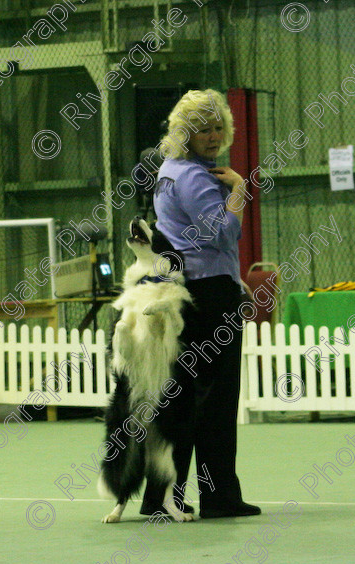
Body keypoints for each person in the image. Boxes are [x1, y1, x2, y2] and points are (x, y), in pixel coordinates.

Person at [140, 89, 261, 519]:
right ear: (184, 132)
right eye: (201, 129)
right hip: (209, 298)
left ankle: (158, 498)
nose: (212, 136)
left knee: (180, 397)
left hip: (188, 292)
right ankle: (220, 497)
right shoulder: (193, 176)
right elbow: (222, 235)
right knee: (216, 400)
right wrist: (240, 192)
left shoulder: (169, 171)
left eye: (217, 128)